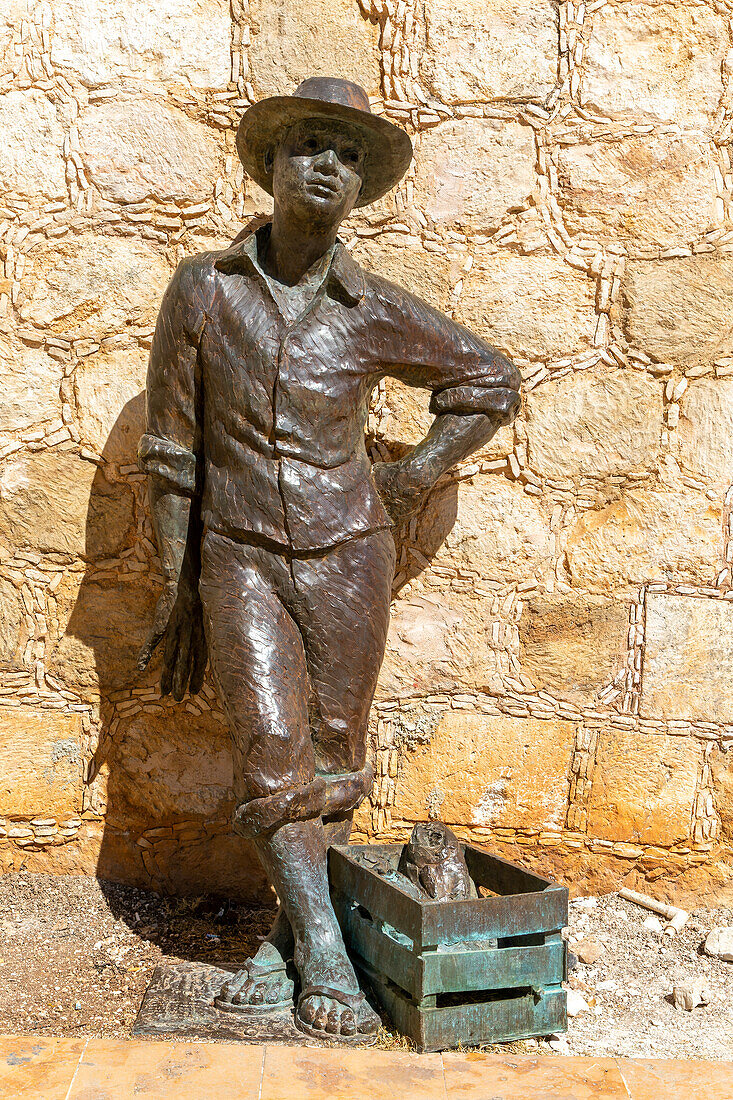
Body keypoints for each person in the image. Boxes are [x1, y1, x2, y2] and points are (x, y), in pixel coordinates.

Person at [137, 76, 520, 1043]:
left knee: (337, 749)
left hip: (350, 553)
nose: (327, 167)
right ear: (269, 165)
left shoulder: (372, 306)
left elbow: (486, 380)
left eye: (348, 157)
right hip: (239, 554)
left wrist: (410, 479)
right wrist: (176, 587)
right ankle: (330, 962)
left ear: (361, 190)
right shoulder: (205, 290)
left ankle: (286, 936)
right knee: (272, 748)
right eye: (309, 145)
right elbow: (173, 452)